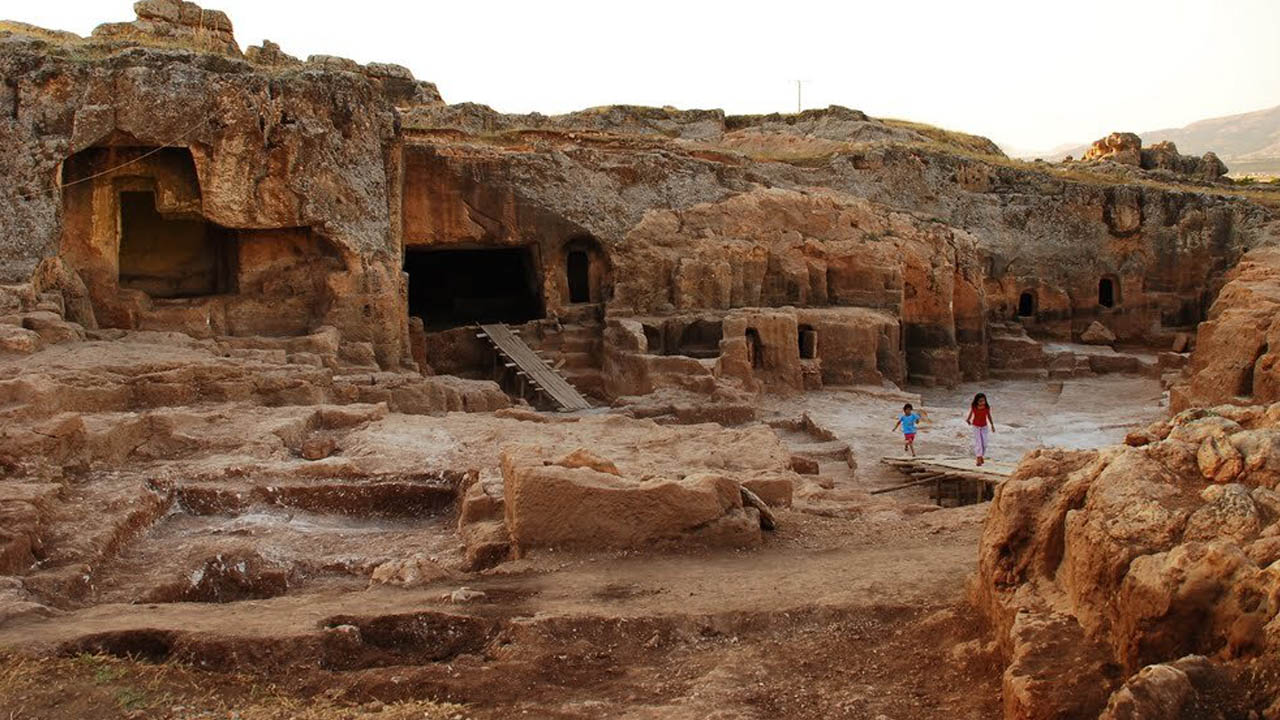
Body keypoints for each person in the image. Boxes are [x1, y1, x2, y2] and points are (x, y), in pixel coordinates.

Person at [966, 393, 995, 466]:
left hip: (984, 427)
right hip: (976, 427)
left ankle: (981, 456)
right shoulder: (974, 407)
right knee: (978, 443)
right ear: (977, 401)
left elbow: (989, 416)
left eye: (983, 401)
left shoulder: (986, 407)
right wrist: (968, 419)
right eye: (980, 401)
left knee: (984, 444)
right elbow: (971, 413)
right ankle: (978, 458)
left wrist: (992, 425)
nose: (982, 403)